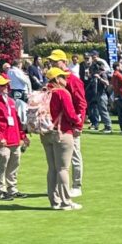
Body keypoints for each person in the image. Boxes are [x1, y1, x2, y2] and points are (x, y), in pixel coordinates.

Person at [0, 73, 30, 200]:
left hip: (14, 137)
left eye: (6, 84)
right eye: (2, 84)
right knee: (1, 164)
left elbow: (16, 120)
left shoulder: (10, 100)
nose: (6, 86)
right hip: (2, 140)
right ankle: (1, 190)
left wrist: (23, 136)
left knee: (14, 164)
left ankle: (12, 188)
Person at [40, 67, 81, 210]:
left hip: (45, 133)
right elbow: (70, 114)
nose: (65, 80)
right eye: (63, 77)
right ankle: (65, 202)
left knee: (52, 168)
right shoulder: (62, 93)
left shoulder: (44, 92)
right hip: (61, 132)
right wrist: (78, 122)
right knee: (63, 169)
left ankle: (54, 201)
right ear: (57, 79)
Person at [48, 49, 87, 197]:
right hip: (57, 125)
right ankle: (61, 186)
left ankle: (76, 184)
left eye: (55, 61)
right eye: (51, 61)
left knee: (75, 154)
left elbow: (81, 103)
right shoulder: (53, 79)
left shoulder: (73, 80)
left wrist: (79, 125)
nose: (52, 63)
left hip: (71, 123)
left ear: (64, 62)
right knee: (58, 158)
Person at [7, 59, 31, 124]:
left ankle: (18, 121)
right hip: (21, 90)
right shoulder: (17, 71)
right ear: (18, 64)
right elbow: (25, 81)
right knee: (23, 107)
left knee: (17, 107)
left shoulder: (9, 71)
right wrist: (26, 78)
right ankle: (23, 123)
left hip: (13, 90)